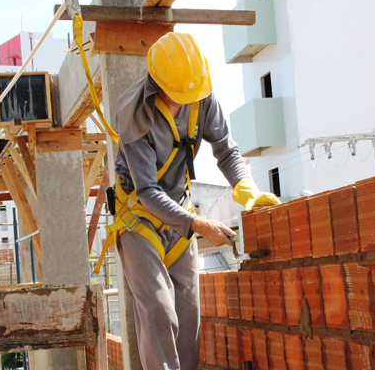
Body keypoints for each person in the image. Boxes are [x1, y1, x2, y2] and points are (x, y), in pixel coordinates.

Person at [98, 32, 280, 370]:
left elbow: (226, 150)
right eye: (174, 96)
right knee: (157, 309)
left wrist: (247, 189)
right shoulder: (134, 113)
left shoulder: (201, 96)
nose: (182, 103)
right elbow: (147, 191)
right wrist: (198, 224)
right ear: (158, 85)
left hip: (179, 210)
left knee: (187, 315)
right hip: (139, 218)